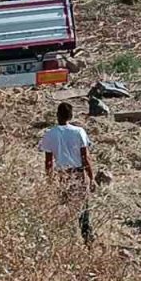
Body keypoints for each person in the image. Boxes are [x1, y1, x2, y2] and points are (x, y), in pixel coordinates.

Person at [40, 102, 94, 242]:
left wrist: (50, 179)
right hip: (78, 173)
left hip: (62, 174)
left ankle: (63, 236)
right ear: (71, 115)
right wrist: (91, 176)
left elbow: (48, 161)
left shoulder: (50, 134)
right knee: (83, 207)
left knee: (64, 204)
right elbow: (85, 156)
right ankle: (86, 237)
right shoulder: (79, 132)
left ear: (57, 115)